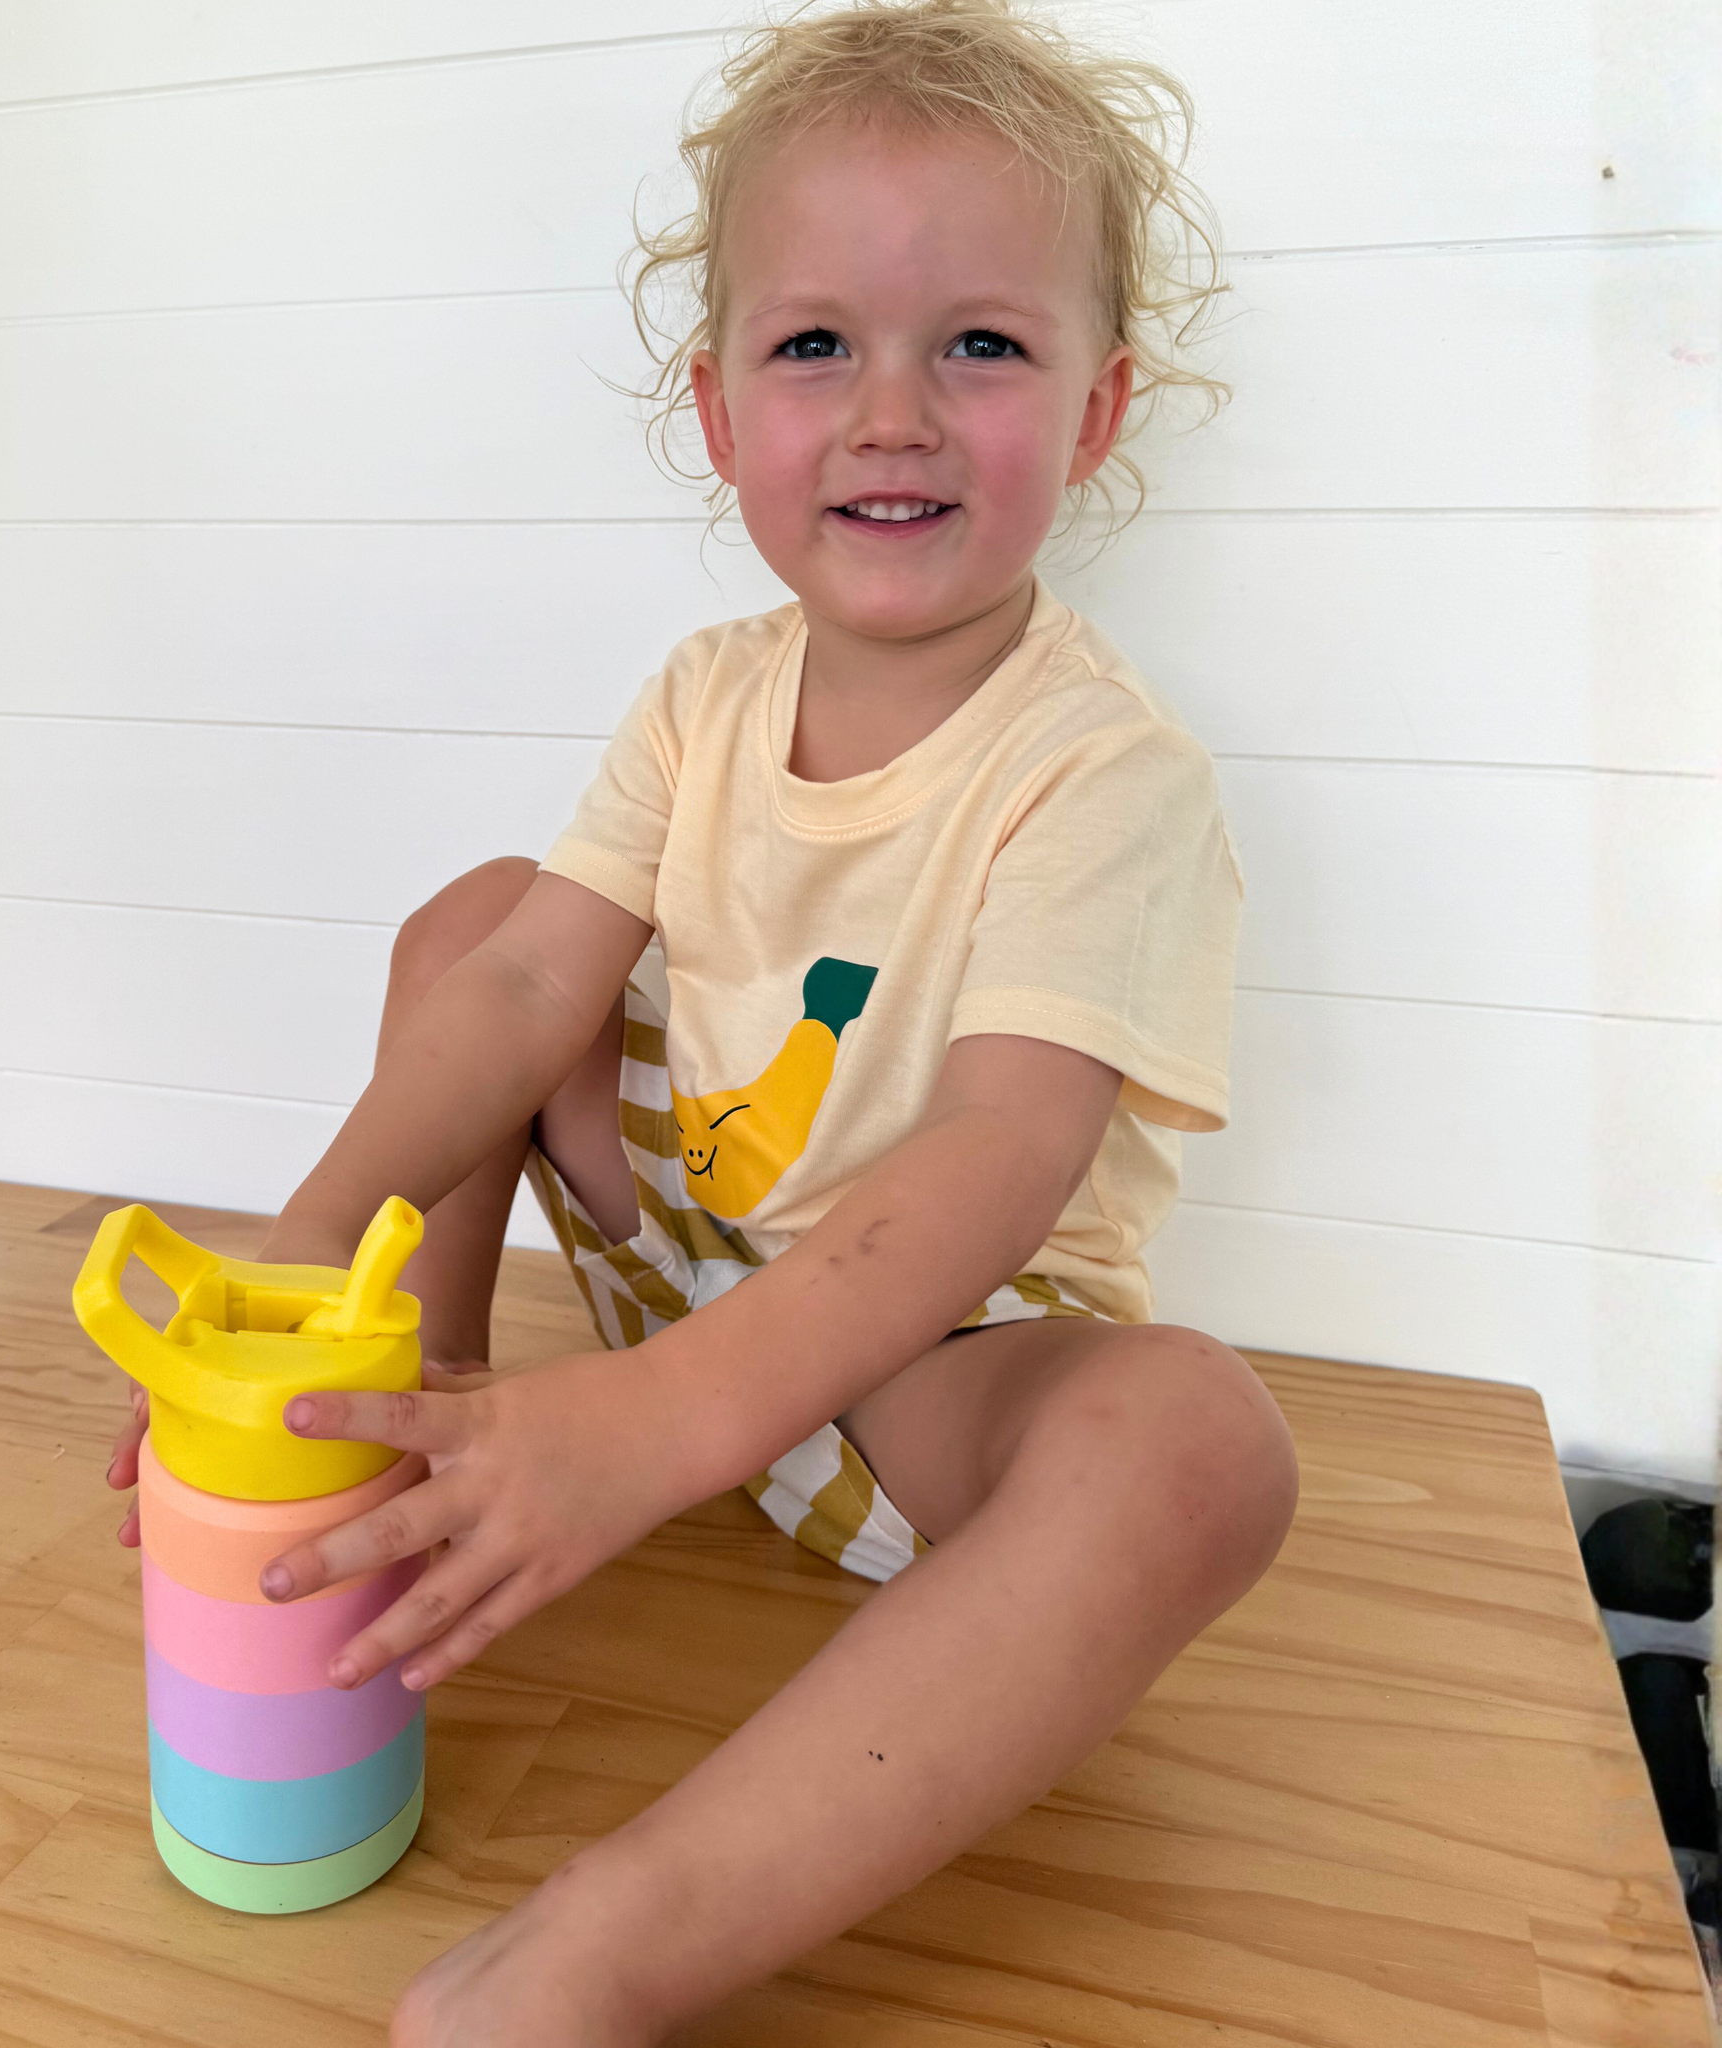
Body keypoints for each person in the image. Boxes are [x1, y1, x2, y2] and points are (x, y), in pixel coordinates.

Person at [108, 3, 1300, 2039]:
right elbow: (520, 992)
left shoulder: (1105, 773)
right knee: (482, 923)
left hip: (923, 1364)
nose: (892, 414)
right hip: (685, 1258)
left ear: (1097, 410)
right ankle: (417, 1425)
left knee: (1197, 1448)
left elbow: (1001, 1158)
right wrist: (302, 1259)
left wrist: (657, 1425)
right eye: (816, 343)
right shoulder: (704, 693)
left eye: (980, 345)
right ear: (719, 405)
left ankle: (604, 1946)